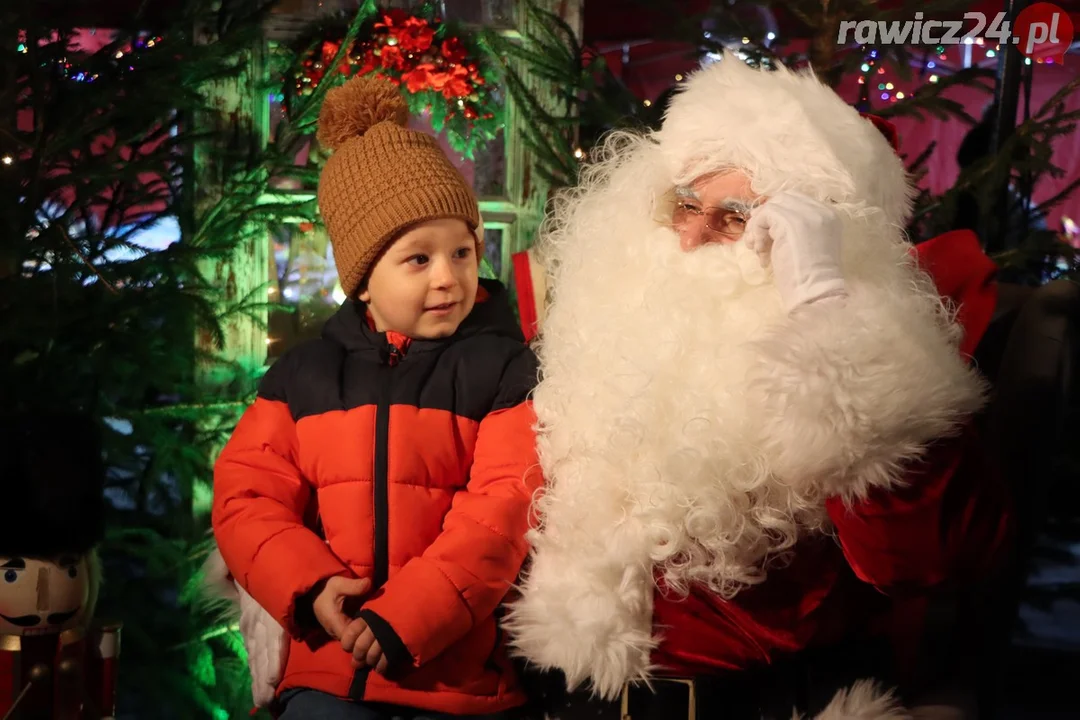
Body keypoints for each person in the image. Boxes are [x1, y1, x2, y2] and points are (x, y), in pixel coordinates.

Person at [504, 54, 1011, 719]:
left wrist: (828, 314)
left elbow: (938, 554)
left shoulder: (868, 350)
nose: (692, 237)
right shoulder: (597, 324)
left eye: (736, 217)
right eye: (685, 205)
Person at [210, 75, 542, 719]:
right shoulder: (303, 378)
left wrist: (411, 617)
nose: (449, 276)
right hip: (327, 670)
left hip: (455, 682)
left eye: (462, 252)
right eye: (418, 259)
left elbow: (504, 508)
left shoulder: (505, 370)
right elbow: (246, 497)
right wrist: (312, 588)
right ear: (362, 279)